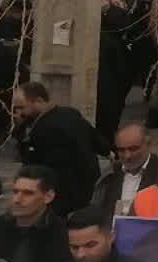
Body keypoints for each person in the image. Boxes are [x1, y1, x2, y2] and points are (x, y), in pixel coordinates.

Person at [11, 81, 100, 216]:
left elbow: (32, 164)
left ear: (39, 101)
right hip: (85, 187)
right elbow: (96, 138)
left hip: (63, 192)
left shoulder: (43, 129)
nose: (19, 112)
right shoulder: (70, 113)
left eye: (21, 107)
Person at [0, 165, 71, 262]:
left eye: (28, 193)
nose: (17, 200)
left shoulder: (62, 233)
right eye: (15, 192)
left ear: (48, 197)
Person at [93, 123, 158, 217]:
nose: (127, 156)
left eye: (133, 149)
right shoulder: (109, 174)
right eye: (121, 150)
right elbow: (96, 208)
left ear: (148, 144)